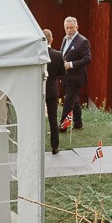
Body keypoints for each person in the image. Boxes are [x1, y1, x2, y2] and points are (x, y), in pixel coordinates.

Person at [58, 15, 91, 136]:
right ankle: (78, 123)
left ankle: (63, 127)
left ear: (77, 27)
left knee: (68, 101)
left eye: (71, 27)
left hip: (76, 77)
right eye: (67, 28)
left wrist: (71, 64)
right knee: (74, 100)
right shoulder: (65, 39)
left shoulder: (82, 41)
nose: (69, 30)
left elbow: (88, 59)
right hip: (66, 76)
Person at [43, 26, 64, 154]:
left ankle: (37, 145)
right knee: (53, 118)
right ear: (51, 40)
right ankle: (54, 146)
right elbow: (62, 72)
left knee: (37, 118)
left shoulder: (37, 55)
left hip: (39, 90)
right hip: (52, 90)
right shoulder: (58, 55)